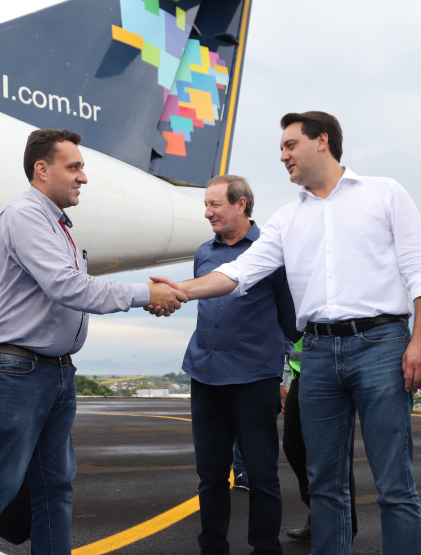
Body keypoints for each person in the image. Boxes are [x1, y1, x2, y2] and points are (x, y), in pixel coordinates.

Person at [150, 111, 421, 555]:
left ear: (321, 141)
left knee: (394, 484)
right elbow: (240, 272)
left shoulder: (385, 193)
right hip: (319, 352)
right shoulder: (287, 219)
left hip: (381, 344)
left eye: (290, 145)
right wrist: (180, 290)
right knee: (324, 484)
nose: (282, 155)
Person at [0, 128, 187, 555]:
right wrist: (146, 294)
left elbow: (73, 287)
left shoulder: (57, 223)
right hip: (18, 370)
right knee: (0, 483)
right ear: (42, 169)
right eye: (75, 166)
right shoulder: (26, 216)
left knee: (55, 484)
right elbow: (69, 287)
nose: (83, 177)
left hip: (55, 371)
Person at [182, 175, 298, 555]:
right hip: (206, 376)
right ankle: (211, 547)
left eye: (215, 204)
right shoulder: (203, 252)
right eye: (206, 204)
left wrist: (280, 375)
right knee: (210, 475)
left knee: (262, 475)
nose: (207, 212)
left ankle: (266, 548)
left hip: (254, 379)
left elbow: (290, 322)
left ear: (241, 204)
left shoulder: (272, 252)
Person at [281, 337, 358, 544]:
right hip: (300, 374)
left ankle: (343, 529)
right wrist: (284, 378)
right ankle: (321, 517)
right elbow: (287, 336)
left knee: (337, 455)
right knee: (293, 447)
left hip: (331, 370)